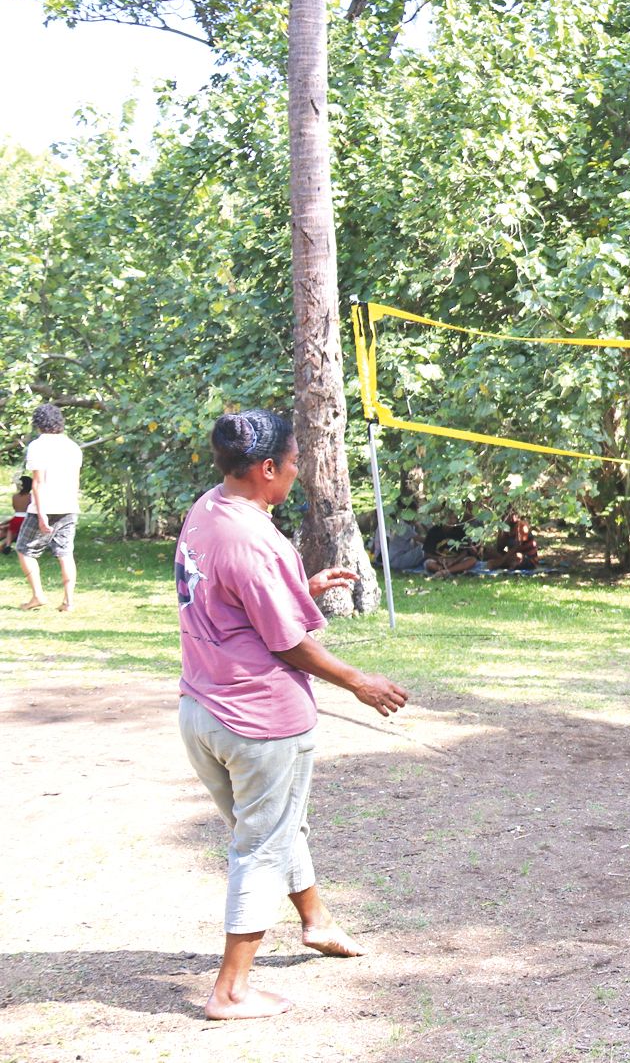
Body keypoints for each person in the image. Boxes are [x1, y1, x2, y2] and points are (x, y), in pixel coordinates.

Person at [176, 409, 410, 1020]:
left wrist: (296, 587)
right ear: (267, 467)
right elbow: (285, 642)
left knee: (273, 828)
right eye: (296, 463)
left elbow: (234, 601)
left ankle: (315, 920)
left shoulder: (209, 510)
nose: (299, 474)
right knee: (262, 845)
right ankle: (231, 991)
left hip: (203, 710)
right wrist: (359, 681)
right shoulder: (254, 537)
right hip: (258, 722)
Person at [16, 404, 83, 612]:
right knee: (65, 552)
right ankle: (69, 601)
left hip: (44, 507)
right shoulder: (73, 446)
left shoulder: (38, 446)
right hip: (69, 506)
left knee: (24, 549)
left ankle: (37, 595)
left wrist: (42, 514)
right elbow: (75, 481)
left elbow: (38, 483)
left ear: (38, 423)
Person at [4, 476, 29, 554]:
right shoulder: (30, 496)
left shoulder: (15, 496)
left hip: (16, 517)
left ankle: (8, 545)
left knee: (10, 531)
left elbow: (14, 507)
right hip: (27, 518)